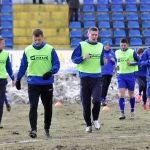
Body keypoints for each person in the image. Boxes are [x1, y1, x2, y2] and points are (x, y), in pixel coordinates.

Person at [15, 29, 60, 138]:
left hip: (47, 84)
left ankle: (47, 128)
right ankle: (33, 129)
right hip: (33, 84)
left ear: (42, 37)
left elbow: (57, 64)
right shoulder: (27, 50)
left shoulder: (50, 49)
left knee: (48, 107)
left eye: (39, 39)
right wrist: (18, 79)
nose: (37, 42)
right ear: (32, 38)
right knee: (33, 106)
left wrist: (50, 72)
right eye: (35, 40)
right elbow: (23, 66)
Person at [71, 27, 106, 133]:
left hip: (97, 78)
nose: (95, 36)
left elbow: (100, 60)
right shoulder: (82, 45)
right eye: (93, 34)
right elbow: (74, 59)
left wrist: (103, 62)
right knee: (86, 104)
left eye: (96, 34)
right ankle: (88, 124)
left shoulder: (101, 46)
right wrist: (83, 57)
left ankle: (95, 119)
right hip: (85, 78)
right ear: (88, 34)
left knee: (96, 100)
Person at [115, 38, 139, 120]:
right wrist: (117, 71)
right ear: (120, 45)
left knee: (131, 95)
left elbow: (140, 61)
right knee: (121, 94)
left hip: (130, 75)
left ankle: (132, 111)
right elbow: (117, 63)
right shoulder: (117, 52)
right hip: (121, 76)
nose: (123, 47)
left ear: (127, 45)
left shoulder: (132, 52)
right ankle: (122, 113)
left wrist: (131, 63)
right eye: (121, 45)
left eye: (124, 45)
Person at [0, 37, 15, 128]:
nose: (4, 45)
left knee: (0, 103)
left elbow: (9, 67)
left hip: (2, 80)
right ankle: (7, 103)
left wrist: (13, 78)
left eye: (4, 43)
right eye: (2, 43)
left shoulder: (5, 54)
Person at [101, 41, 116, 106]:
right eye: (106, 45)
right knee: (104, 86)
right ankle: (102, 99)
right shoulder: (101, 53)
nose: (107, 46)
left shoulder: (112, 53)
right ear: (104, 46)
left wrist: (113, 61)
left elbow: (115, 62)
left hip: (109, 73)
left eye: (108, 45)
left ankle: (103, 98)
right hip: (102, 72)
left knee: (106, 86)